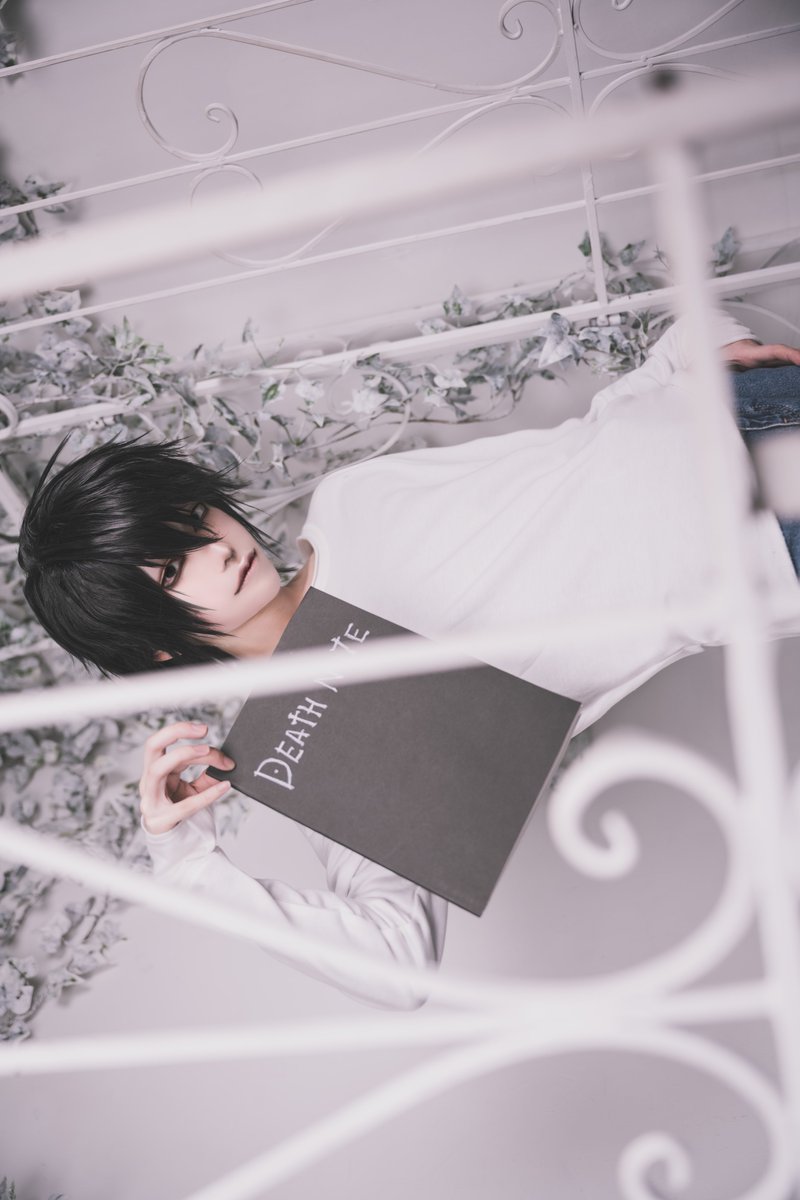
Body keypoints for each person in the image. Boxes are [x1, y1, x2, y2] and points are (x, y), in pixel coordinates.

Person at [17, 312, 800, 1009]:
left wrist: (691, 350)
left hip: (740, 407)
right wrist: (190, 868)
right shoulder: (302, 747)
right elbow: (397, 964)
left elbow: (577, 444)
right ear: (155, 643)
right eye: (170, 570)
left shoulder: (353, 500)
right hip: (768, 551)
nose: (217, 548)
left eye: (193, 517)